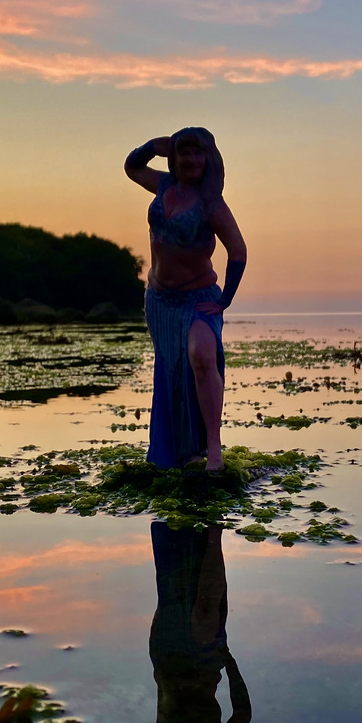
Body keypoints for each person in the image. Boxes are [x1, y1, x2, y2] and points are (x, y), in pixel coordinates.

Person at [124, 128, 247, 472]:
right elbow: (132, 167)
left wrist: (225, 301)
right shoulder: (163, 186)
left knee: (202, 357)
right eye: (185, 153)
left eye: (198, 154)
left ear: (209, 159)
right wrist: (151, 146)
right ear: (174, 158)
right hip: (161, 301)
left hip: (199, 299)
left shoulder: (212, 204)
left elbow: (237, 251)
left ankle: (213, 448)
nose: (192, 160)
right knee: (172, 372)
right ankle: (180, 453)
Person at [134, 522, 251, 723]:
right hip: (196, 660)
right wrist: (229, 663)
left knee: (176, 590)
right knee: (200, 596)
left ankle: (195, 527)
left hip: (175, 659)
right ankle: (209, 530)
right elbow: (242, 714)